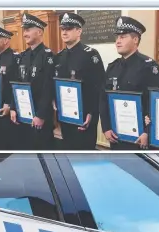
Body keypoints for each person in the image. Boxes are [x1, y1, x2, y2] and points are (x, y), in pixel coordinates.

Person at [99, 16, 159, 150]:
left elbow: (154, 103)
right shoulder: (112, 67)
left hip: (138, 137)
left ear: (135, 39)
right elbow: (103, 99)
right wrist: (106, 128)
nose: (117, 41)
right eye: (117, 38)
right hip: (115, 134)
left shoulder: (149, 67)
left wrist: (147, 132)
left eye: (123, 37)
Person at [55, 12, 105, 150]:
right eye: (63, 29)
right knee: (68, 150)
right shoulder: (59, 57)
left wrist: (91, 112)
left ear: (79, 31)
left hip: (84, 116)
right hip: (66, 115)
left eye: (69, 29)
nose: (64, 32)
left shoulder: (90, 54)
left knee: (84, 152)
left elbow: (99, 86)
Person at [10, 13, 55, 150]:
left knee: (41, 153)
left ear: (39, 32)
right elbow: (17, 83)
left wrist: (41, 115)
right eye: (24, 30)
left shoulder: (48, 57)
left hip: (39, 116)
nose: (24, 34)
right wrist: (13, 107)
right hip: (22, 115)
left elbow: (49, 88)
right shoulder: (23, 56)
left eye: (28, 29)